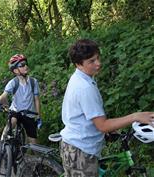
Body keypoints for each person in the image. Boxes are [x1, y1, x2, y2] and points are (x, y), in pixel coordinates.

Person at [60, 39, 154, 177]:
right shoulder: (84, 87)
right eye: (91, 61)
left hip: (79, 147)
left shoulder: (83, 78)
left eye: (98, 57)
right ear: (79, 65)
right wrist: (135, 116)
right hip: (80, 152)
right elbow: (102, 125)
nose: (98, 63)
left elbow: (89, 115)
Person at [0, 54, 42, 156]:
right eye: (22, 65)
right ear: (15, 70)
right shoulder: (13, 82)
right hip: (16, 110)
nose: (25, 66)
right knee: (11, 122)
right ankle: (1, 145)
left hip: (29, 113)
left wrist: (38, 116)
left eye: (25, 64)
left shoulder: (33, 82)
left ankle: (38, 164)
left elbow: (36, 99)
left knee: (33, 143)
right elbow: (4, 95)